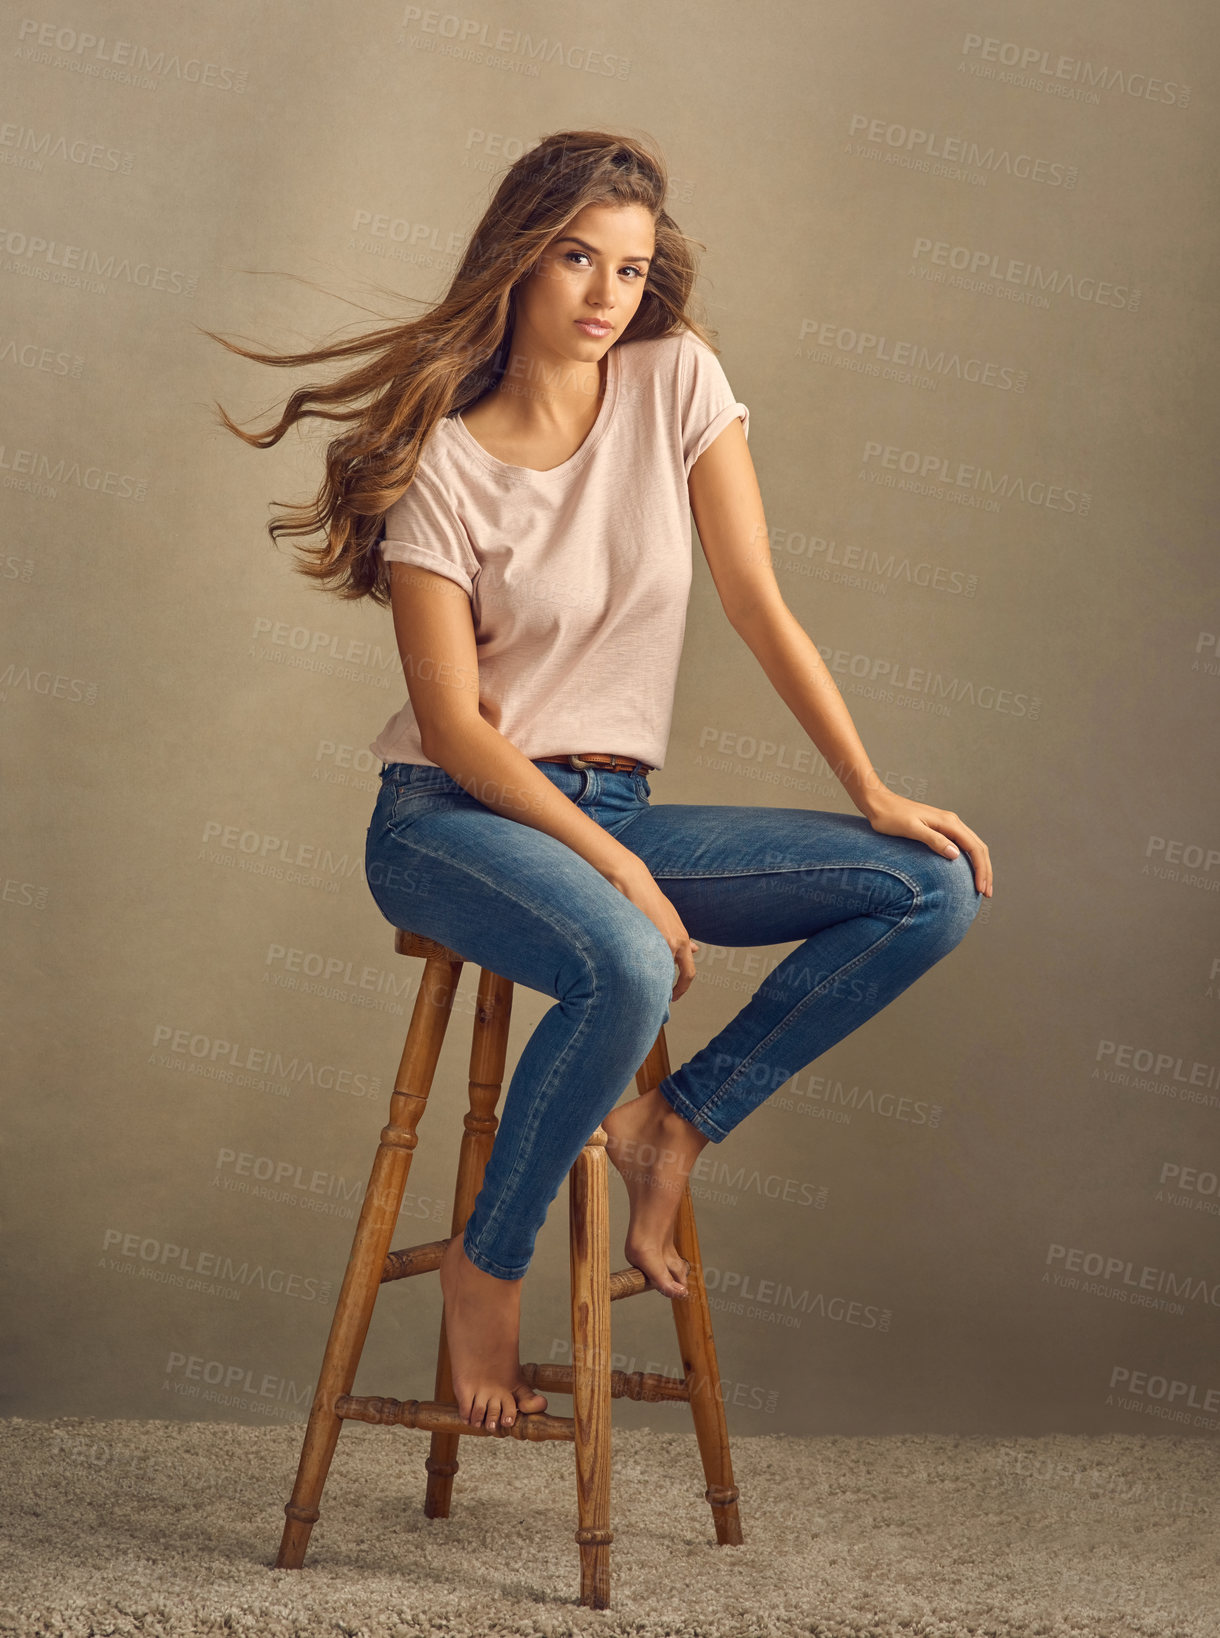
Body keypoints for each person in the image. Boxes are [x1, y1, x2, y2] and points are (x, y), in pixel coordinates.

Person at [206, 128, 992, 1444]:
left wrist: (871, 786)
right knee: (626, 961)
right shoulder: (441, 462)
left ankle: (672, 1126)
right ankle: (487, 1262)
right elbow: (455, 730)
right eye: (577, 257)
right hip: (453, 823)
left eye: (629, 270)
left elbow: (757, 603)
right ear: (518, 256)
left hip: (610, 813)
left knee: (929, 886)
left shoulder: (674, 381)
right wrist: (617, 869)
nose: (603, 295)